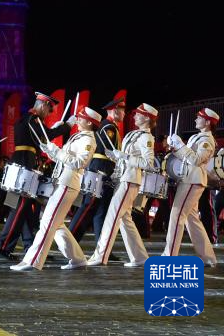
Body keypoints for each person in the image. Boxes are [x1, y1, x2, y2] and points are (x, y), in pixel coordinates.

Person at [11, 105, 101, 271]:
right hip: (62, 181)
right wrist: (50, 149)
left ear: (89, 123)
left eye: (81, 118)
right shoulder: (79, 137)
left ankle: (32, 261)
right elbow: (62, 159)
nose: (78, 119)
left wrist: (57, 152)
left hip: (68, 184)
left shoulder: (88, 140)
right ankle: (78, 259)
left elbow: (80, 163)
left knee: (47, 222)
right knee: (57, 224)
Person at [0, 91, 72, 260]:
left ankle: (30, 246)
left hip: (21, 163)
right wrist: (66, 126)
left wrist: (53, 128)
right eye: (49, 110)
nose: (49, 114)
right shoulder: (33, 119)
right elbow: (46, 137)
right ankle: (3, 246)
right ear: (43, 105)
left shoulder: (26, 119)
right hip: (24, 164)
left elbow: (40, 138)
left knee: (25, 209)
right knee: (20, 207)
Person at [87, 102, 157, 267]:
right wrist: (115, 156)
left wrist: (124, 156)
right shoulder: (134, 134)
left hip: (130, 180)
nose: (135, 116)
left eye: (139, 114)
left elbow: (148, 163)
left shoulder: (146, 137)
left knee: (112, 217)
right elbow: (125, 158)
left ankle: (100, 256)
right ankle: (139, 257)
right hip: (123, 178)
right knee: (125, 220)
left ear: (147, 118)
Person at [162, 108, 218, 266]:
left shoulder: (207, 140)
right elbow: (186, 156)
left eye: (199, 118)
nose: (195, 120)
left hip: (193, 180)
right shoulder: (196, 137)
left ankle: (169, 256)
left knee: (177, 215)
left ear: (208, 122)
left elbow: (196, 160)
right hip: (188, 179)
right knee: (192, 220)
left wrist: (180, 145)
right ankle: (208, 257)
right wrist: (174, 148)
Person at [68, 98, 124, 246]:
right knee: (89, 206)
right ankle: (69, 240)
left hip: (102, 168)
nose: (124, 113)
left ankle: (102, 248)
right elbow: (109, 151)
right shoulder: (108, 127)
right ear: (115, 111)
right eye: (122, 110)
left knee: (101, 211)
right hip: (100, 169)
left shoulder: (108, 126)